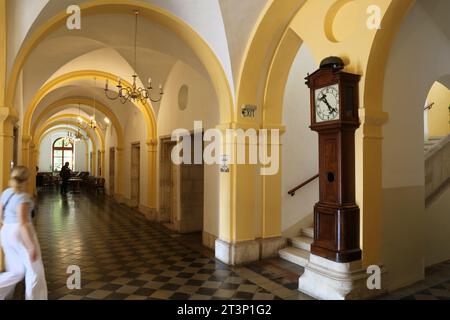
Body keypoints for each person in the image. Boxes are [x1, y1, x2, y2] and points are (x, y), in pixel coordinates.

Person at [0, 166, 47, 300]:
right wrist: (31, 246)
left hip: (6, 231)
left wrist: (7, 225)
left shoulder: (6, 192)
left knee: (16, 271)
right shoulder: (23, 197)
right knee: (35, 270)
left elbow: (0, 215)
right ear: (27, 179)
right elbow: (23, 223)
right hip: (20, 233)